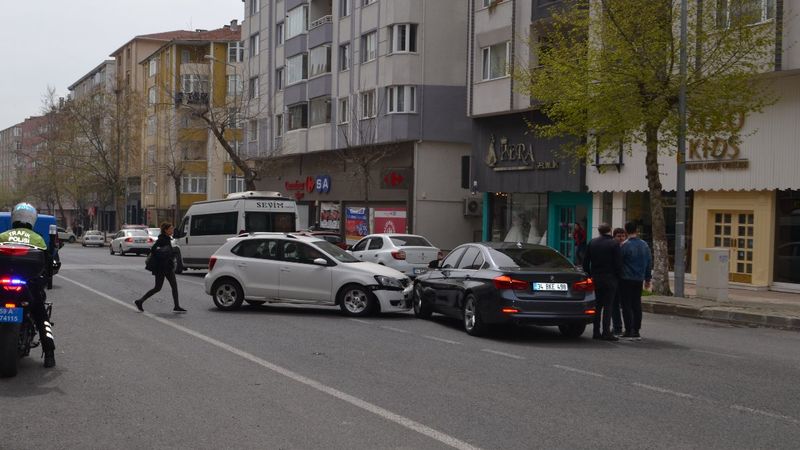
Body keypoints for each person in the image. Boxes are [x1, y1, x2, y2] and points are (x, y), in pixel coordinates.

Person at [0, 202, 56, 368]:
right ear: (32, 219)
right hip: (28, 284)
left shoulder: (3, 236)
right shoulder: (37, 238)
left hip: (3, 282)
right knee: (41, 315)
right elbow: (46, 265)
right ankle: (50, 354)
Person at [582, 222, 622, 341]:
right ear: (610, 230)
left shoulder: (592, 242)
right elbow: (618, 264)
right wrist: (617, 277)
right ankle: (606, 332)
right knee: (608, 306)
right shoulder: (614, 244)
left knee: (597, 306)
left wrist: (590, 274)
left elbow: (585, 262)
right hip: (610, 278)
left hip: (596, 277)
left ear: (599, 231)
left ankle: (596, 331)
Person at [134, 222, 186, 313]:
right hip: (161, 268)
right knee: (157, 288)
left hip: (168, 267)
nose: (172, 230)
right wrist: (162, 255)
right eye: (170, 228)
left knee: (174, 286)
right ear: (166, 230)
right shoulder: (162, 239)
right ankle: (140, 301)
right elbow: (153, 250)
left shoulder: (167, 238)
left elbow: (166, 251)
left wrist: (170, 253)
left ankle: (176, 306)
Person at [619, 222, 652, 340]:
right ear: (636, 230)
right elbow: (649, 263)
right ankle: (636, 330)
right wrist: (647, 279)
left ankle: (628, 330)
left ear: (626, 231)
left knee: (626, 305)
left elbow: (619, 262)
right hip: (639, 279)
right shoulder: (644, 245)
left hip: (626, 279)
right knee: (636, 304)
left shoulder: (625, 245)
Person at [611, 227, 628, 336]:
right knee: (614, 304)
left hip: (626, 280)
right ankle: (617, 327)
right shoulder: (612, 247)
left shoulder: (627, 247)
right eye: (618, 236)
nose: (621, 238)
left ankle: (629, 328)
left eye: (623, 236)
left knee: (626, 305)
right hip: (615, 279)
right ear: (614, 237)